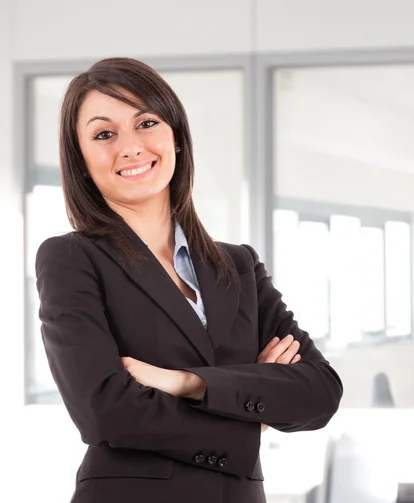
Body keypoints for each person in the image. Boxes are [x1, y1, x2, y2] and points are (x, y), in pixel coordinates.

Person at [35, 57, 343, 503]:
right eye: (104, 134)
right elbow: (105, 412)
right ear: (81, 161)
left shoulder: (237, 265)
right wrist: (250, 408)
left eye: (146, 122)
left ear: (176, 137)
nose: (130, 146)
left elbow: (320, 392)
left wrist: (188, 383)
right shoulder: (71, 258)